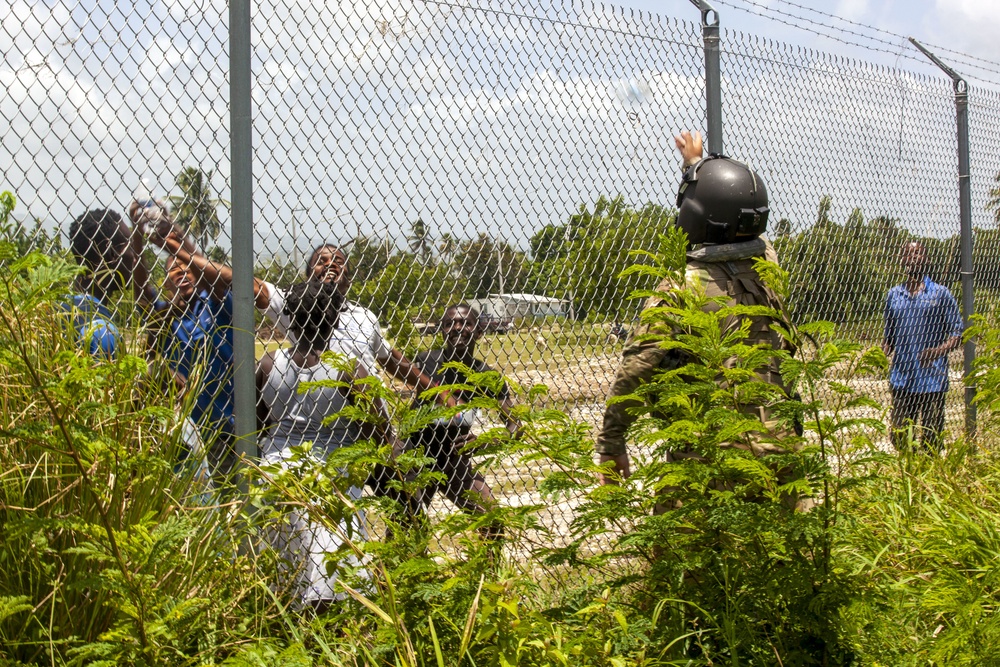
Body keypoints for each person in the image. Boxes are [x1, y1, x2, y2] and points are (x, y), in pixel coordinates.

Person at [596, 130, 794, 484]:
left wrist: (611, 444)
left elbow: (635, 370)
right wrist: (696, 167)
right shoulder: (768, 271)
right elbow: (746, 229)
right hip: (780, 446)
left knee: (680, 539)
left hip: (712, 455)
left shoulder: (680, 286)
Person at [256, 279, 397, 610]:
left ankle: (287, 621)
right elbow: (378, 425)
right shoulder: (347, 368)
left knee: (289, 557)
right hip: (332, 471)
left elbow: (259, 420)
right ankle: (329, 629)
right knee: (333, 560)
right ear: (334, 319)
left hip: (277, 468)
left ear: (289, 315)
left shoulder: (268, 363)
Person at [136, 204, 270, 477]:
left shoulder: (216, 304)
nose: (182, 273)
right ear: (166, 282)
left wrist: (175, 234)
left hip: (229, 423)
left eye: (187, 269)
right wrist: (138, 233)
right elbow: (140, 288)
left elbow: (209, 270)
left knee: (234, 489)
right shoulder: (164, 317)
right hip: (189, 427)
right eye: (174, 272)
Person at [259, 244, 453, 405]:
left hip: (369, 416)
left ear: (349, 280)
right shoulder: (294, 306)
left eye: (338, 261)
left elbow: (391, 359)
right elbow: (253, 288)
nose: (330, 264)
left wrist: (437, 391)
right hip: (324, 412)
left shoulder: (364, 317)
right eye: (321, 261)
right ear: (308, 276)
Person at [383, 304, 517, 525]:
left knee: (492, 519)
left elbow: (516, 426)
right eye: (449, 324)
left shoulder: (486, 376)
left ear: (479, 331)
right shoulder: (426, 361)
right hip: (416, 455)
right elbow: (395, 365)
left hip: (455, 460)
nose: (457, 327)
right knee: (407, 526)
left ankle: (485, 560)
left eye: (465, 323)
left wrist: (486, 441)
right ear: (442, 331)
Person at [883, 240, 962, 451]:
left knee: (931, 439)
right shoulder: (893, 296)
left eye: (918, 253)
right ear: (902, 261)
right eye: (908, 254)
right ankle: (910, 473)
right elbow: (888, 338)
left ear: (927, 260)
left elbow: (957, 334)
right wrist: (879, 355)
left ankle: (929, 476)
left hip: (932, 380)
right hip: (902, 378)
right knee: (899, 436)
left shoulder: (940, 294)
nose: (913, 257)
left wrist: (938, 351)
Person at [66, 208, 155, 357]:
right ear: (111, 253)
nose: (136, 258)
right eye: (131, 247)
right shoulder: (102, 332)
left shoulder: (59, 310)